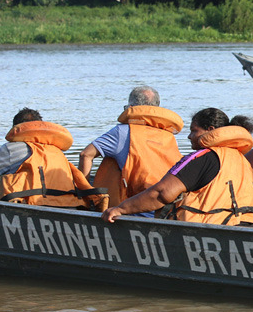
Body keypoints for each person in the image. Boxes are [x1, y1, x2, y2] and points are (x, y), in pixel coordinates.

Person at [101, 108, 253, 226]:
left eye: (193, 131)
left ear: (210, 131)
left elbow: (161, 193)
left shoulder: (203, 156)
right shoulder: (243, 161)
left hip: (209, 229)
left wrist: (120, 209)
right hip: (244, 227)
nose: (189, 136)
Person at [77, 85, 183, 216]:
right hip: (167, 209)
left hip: (134, 210)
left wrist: (84, 193)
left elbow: (85, 154)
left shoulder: (122, 132)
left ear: (130, 108)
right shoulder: (169, 136)